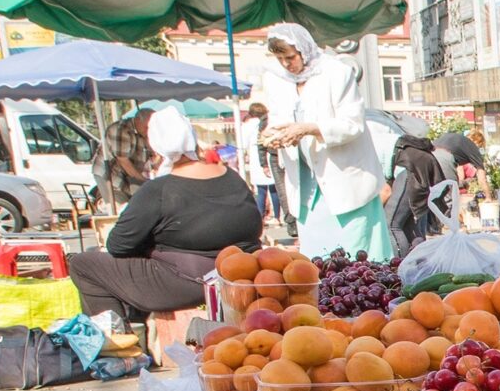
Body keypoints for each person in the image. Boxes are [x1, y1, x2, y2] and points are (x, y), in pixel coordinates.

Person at [69, 107, 261, 321]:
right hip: (244, 273)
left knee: (83, 265)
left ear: (156, 148)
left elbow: (118, 245)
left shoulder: (159, 189)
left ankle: (115, 342)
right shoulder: (233, 178)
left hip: (191, 282)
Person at [258, 22, 393, 259]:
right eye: (280, 59)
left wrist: (309, 129)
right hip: (305, 182)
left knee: (357, 251)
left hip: (344, 176)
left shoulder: (336, 72)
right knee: (316, 256)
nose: (286, 64)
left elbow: (353, 123)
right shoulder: (275, 80)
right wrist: (272, 134)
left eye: (290, 57)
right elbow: (277, 118)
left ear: (304, 49)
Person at [239, 98, 287, 237]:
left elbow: (243, 144)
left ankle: (260, 219)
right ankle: (277, 217)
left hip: (257, 158)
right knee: (275, 189)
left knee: (261, 191)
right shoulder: (268, 121)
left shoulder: (247, 125)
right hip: (272, 155)